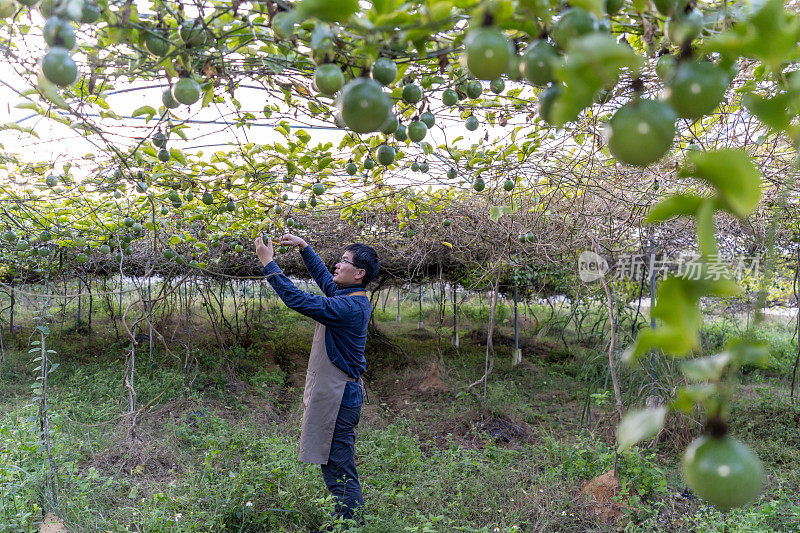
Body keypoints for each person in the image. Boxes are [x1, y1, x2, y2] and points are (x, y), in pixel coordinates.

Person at [254, 233, 379, 526]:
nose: (337, 265)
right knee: (334, 464)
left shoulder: (348, 308)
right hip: (338, 392)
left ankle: (349, 525)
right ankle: (345, 521)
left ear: (359, 273)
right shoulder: (350, 297)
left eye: (344, 262)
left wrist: (268, 263)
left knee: (339, 469)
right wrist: (304, 247)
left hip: (340, 396)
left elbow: (298, 299)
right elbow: (326, 280)